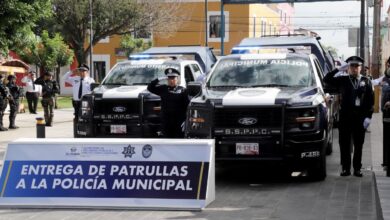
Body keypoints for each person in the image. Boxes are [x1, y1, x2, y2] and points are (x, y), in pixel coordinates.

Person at [324, 56, 374, 177]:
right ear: (348, 68)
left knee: (359, 144)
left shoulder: (366, 81)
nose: (354, 69)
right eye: (351, 66)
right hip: (345, 117)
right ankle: (346, 168)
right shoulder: (343, 80)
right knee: (344, 144)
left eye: (356, 66)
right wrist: (337, 70)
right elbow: (326, 79)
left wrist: (368, 117)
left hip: (360, 118)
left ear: (360, 68)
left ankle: (357, 168)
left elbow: (370, 101)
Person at [147, 67, 190, 138]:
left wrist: (186, 121)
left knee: (178, 139)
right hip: (166, 121)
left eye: (173, 78)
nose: (171, 80)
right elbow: (150, 87)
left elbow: (187, 106)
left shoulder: (183, 90)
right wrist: (159, 79)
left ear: (177, 79)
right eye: (169, 78)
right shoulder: (163, 89)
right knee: (167, 139)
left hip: (178, 121)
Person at [372, 57, 390, 168]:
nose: (388, 67)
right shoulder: (385, 78)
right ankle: (386, 161)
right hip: (386, 112)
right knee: (387, 137)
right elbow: (374, 82)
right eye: (388, 65)